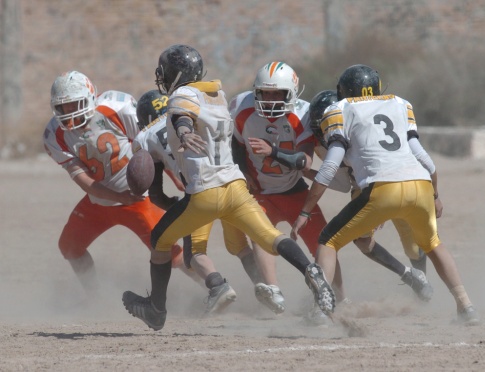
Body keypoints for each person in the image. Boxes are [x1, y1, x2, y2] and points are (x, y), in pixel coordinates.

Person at [122, 44, 334, 331]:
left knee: (160, 240)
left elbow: (180, 116)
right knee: (271, 236)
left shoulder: (180, 98)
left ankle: (156, 310)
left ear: (174, 74)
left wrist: (183, 131)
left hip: (204, 192)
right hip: (235, 185)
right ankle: (311, 272)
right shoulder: (217, 95)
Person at [291, 64, 480, 325]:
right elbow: (424, 158)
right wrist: (435, 194)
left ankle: (322, 313)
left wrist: (304, 211)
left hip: (382, 189)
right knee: (434, 243)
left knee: (328, 241)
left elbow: (330, 167)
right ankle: (466, 306)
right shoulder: (400, 103)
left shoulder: (339, 109)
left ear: (343, 91)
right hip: (421, 184)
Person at [43, 71, 194, 295]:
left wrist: (173, 175)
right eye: (63, 107)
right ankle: (95, 297)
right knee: (69, 247)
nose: (70, 113)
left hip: (137, 198)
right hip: (99, 201)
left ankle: (212, 286)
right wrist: (117, 197)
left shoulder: (117, 107)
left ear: (90, 97)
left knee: (171, 253)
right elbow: (83, 179)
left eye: (75, 104)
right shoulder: (54, 134)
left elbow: (154, 144)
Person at [133, 89, 274, 315]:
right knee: (239, 247)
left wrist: (174, 207)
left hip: (200, 192)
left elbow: (155, 193)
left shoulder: (148, 135)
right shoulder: (191, 115)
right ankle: (269, 291)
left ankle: (217, 285)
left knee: (195, 253)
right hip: (230, 184)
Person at [229, 62, 347, 323]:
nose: (270, 100)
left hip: (295, 190)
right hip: (259, 192)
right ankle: (274, 291)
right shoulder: (242, 107)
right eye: (265, 93)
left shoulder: (302, 113)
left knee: (324, 242)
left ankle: (338, 296)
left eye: (277, 94)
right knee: (261, 236)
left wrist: (272, 152)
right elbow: (236, 145)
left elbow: (304, 161)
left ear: (291, 93)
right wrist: (243, 171)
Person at [307, 89, 434, 301]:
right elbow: (341, 182)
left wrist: (376, 204)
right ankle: (411, 277)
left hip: (388, 181)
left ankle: (424, 283)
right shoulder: (327, 143)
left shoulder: (360, 128)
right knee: (362, 240)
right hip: (365, 187)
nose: (324, 130)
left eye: (326, 123)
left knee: (413, 246)